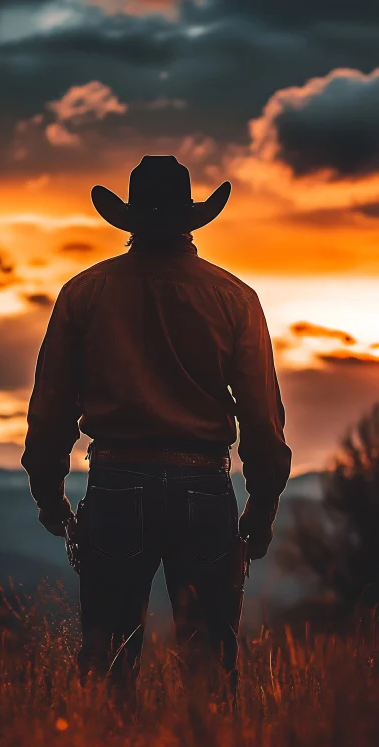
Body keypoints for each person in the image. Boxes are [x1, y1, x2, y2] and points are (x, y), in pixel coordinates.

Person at [21, 155, 292, 710]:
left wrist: (51, 500)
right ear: (192, 220)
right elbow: (263, 422)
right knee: (212, 674)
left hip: (116, 486)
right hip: (204, 490)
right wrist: (259, 513)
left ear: (128, 221)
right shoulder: (234, 298)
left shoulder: (84, 293)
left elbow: (49, 412)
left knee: (106, 669)